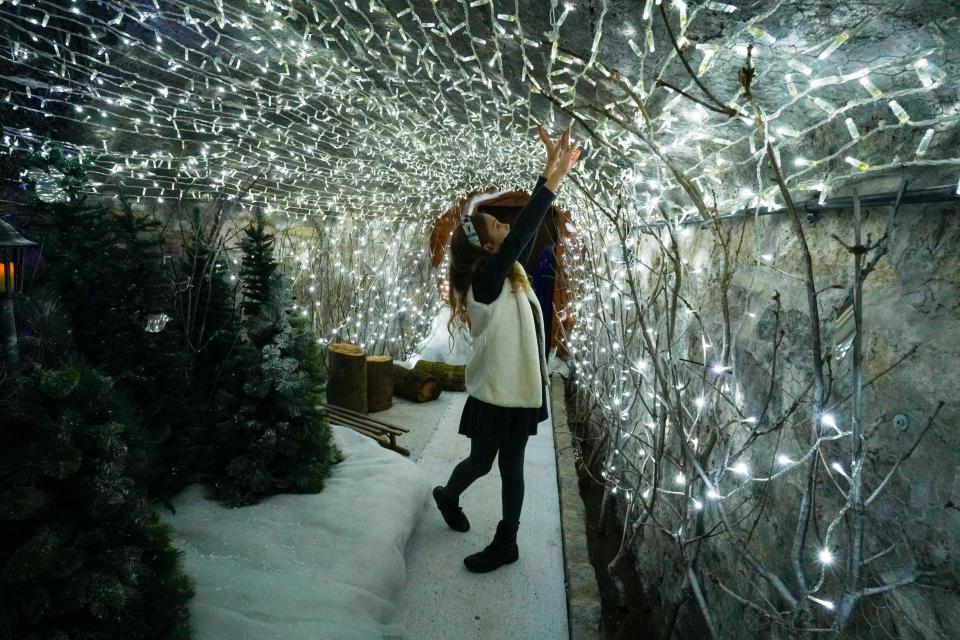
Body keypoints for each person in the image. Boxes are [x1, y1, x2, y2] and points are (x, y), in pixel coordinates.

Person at [433, 124, 582, 573]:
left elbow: (528, 237)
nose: (507, 227)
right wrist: (551, 179)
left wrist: (550, 174)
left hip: (518, 391)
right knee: (481, 462)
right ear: (486, 245)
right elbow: (525, 231)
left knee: (512, 468)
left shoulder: (510, 271)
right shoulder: (486, 279)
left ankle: (507, 542)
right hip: (494, 392)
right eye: (498, 224)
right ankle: (447, 495)